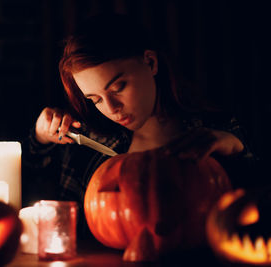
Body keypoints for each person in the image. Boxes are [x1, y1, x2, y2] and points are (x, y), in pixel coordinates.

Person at [22, 13, 258, 238]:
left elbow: (257, 201)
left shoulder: (218, 131)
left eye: (118, 87)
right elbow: (27, 186)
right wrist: (41, 137)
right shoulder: (86, 143)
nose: (112, 108)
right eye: (95, 99)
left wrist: (235, 148)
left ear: (150, 62)